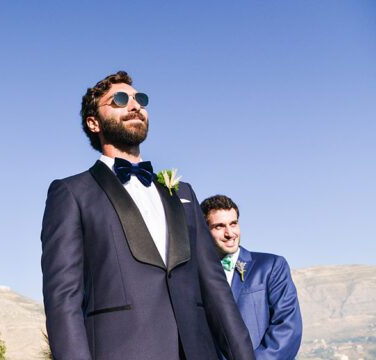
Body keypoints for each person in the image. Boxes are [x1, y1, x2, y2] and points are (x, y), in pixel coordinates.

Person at [41, 71, 254, 360]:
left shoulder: (183, 193)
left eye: (139, 99)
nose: (134, 105)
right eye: (119, 99)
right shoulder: (71, 193)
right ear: (94, 123)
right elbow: (63, 300)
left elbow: (215, 289)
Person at [201, 195, 302, 359]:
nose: (230, 233)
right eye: (219, 226)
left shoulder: (272, 266)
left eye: (233, 224)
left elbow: (287, 327)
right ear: (204, 231)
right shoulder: (196, 275)